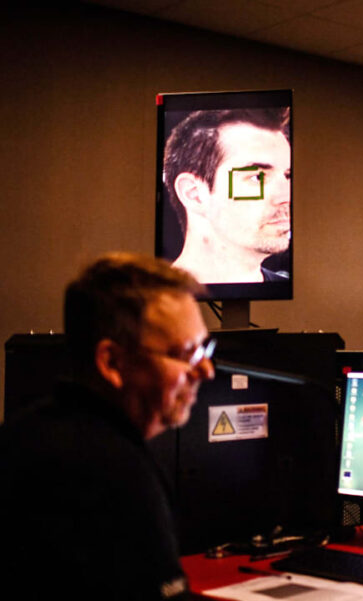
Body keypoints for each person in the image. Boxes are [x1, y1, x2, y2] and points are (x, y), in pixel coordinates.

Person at [0, 253, 215, 599]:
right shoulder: (112, 472)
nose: (207, 371)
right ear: (112, 362)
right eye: (187, 353)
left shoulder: (25, 433)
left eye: (205, 349)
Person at [163, 107, 291, 284]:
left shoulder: (294, 290)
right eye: (256, 177)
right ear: (194, 194)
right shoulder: (142, 299)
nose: (286, 197)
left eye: (287, 176)